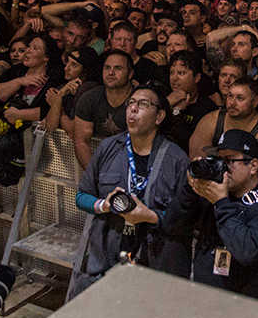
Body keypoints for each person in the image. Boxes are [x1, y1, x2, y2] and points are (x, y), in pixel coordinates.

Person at [71, 84, 191, 296]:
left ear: (159, 116)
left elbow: (186, 219)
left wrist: (153, 217)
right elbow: (81, 197)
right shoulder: (108, 148)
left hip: (156, 264)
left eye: (143, 104)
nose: (133, 109)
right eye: (131, 103)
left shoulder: (176, 159)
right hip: (108, 257)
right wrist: (103, 205)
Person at [162, 130, 258, 302]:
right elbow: (172, 227)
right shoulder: (214, 194)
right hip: (206, 301)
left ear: (253, 166)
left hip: (249, 311)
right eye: (219, 160)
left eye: (229, 161)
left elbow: (246, 252)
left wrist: (221, 203)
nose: (222, 168)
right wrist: (189, 190)